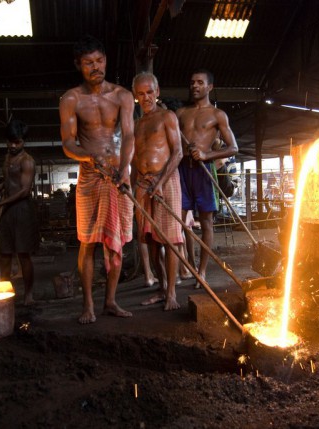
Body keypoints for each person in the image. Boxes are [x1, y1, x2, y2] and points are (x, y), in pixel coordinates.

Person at [59, 35, 135, 324]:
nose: (96, 67)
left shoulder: (122, 95)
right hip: (91, 176)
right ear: (79, 65)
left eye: (100, 60)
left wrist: (124, 169)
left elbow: (129, 134)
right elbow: (68, 142)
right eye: (88, 62)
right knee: (87, 241)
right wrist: (90, 158)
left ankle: (111, 301)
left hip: (118, 175)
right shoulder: (71, 99)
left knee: (117, 243)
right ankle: (88, 305)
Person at [175, 69, 238, 287]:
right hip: (182, 169)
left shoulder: (217, 115)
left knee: (207, 223)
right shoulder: (180, 113)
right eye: (192, 82)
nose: (195, 86)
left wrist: (206, 154)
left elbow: (233, 148)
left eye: (200, 83)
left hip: (204, 170)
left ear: (210, 87)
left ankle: (202, 271)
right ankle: (189, 266)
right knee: (181, 223)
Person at [131, 72, 183, 311]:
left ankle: (172, 293)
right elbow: (134, 159)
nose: (146, 97)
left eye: (150, 92)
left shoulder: (167, 116)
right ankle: (162, 289)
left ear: (157, 92)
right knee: (151, 240)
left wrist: (161, 182)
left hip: (166, 181)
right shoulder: (138, 124)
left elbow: (178, 152)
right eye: (141, 94)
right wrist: (132, 186)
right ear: (135, 96)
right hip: (143, 184)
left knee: (170, 240)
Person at [0, 119, 40, 306]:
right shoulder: (7, 158)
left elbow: (25, 190)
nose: (13, 146)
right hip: (9, 211)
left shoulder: (27, 161)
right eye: (10, 142)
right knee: (4, 254)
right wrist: (1, 186)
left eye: (17, 142)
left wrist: (1, 203)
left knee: (23, 254)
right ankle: (5, 293)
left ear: (23, 141)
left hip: (23, 210)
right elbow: (11, 180)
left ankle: (28, 294)